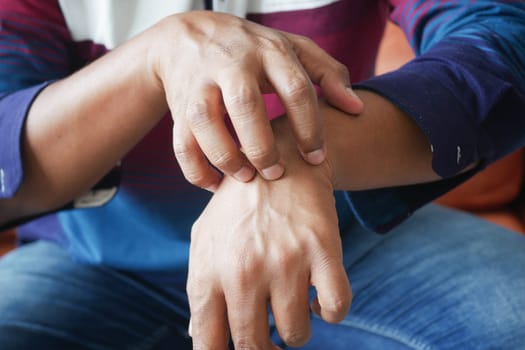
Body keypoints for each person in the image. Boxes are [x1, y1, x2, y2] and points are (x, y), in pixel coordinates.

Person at [0, 0, 524, 349]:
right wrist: (155, 58)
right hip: (84, 261)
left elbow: (506, 38)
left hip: (346, 234)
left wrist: (304, 156)